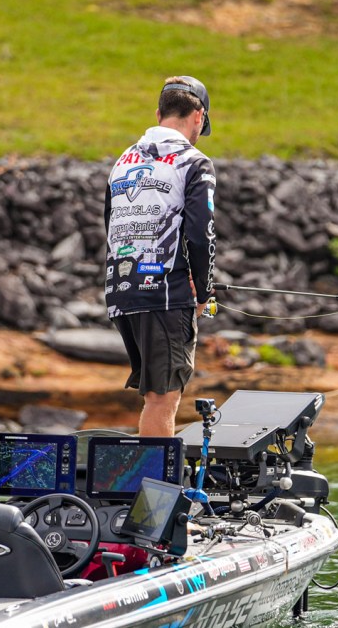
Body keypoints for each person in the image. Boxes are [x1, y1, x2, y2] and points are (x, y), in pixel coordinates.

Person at [104, 76, 217, 436]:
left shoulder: (123, 161)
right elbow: (201, 234)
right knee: (162, 398)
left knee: (154, 395)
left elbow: (109, 222)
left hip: (121, 291)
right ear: (198, 116)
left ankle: (148, 468)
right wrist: (204, 291)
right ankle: (155, 474)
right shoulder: (193, 162)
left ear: (158, 114)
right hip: (165, 295)